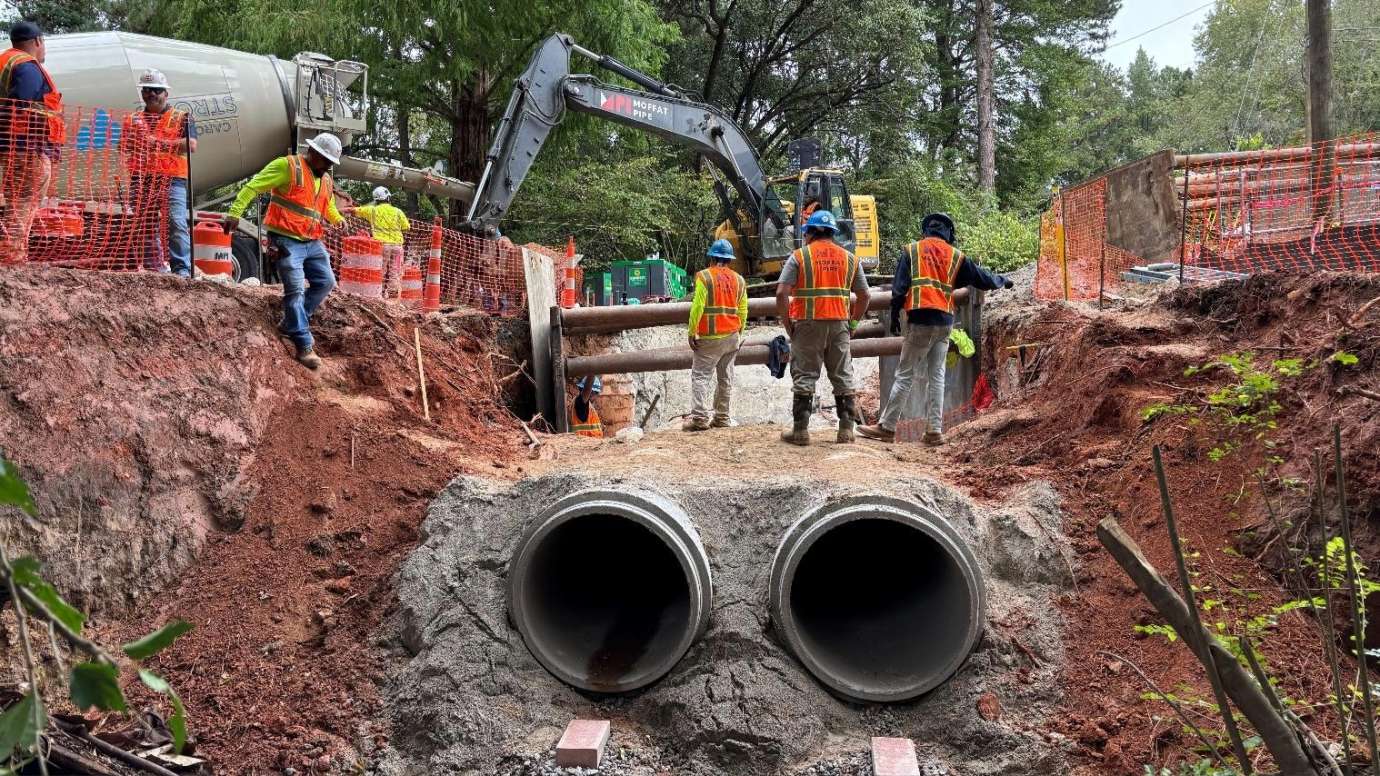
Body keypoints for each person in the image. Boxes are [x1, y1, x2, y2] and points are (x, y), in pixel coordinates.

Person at [859, 213, 1013, 446]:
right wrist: (1002, 280)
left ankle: (887, 427)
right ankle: (934, 431)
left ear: (925, 231)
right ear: (949, 234)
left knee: (905, 374)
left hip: (920, 319)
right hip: (944, 322)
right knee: (937, 376)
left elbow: (899, 289)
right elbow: (982, 278)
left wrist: (895, 315)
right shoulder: (955, 255)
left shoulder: (912, 251)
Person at [225, 133, 346, 369]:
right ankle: (303, 344)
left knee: (326, 282)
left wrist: (337, 219)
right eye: (326, 161)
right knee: (296, 291)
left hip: (312, 241)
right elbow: (253, 187)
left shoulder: (325, 179)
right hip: (286, 240)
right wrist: (235, 212)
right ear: (313, 153)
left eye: (331, 162)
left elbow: (327, 206)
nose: (328, 166)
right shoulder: (287, 166)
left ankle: (291, 322)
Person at [776, 209, 870, 446]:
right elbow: (865, 295)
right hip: (839, 324)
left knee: (805, 375)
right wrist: (853, 323)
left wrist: (788, 324)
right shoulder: (850, 258)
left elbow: (781, 293)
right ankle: (846, 431)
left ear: (809, 233)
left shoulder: (799, 256)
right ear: (833, 233)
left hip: (807, 324)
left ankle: (800, 432)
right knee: (843, 375)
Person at [122, 69, 197, 276]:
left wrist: (157, 143)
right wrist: (136, 142)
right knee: (145, 224)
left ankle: (181, 270)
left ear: (166, 93)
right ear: (142, 93)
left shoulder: (182, 117)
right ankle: (154, 268)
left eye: (156, 90)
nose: (151, 94)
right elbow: (123, 146)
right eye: (147, 90)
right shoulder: (133, 119)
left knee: (176, 222)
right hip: (141, 178)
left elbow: (191, 145)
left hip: (173, 179)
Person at [0, 21, 63, 265]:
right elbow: (20, 105)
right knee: (24, 202)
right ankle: (12, 259)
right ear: (37, 41)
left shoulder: (7, 62)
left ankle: (12, 256)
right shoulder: (27, 67)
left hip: (14, 147)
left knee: (18, 201)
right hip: (28, 148)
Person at [684, 239, 748, 431]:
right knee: (725, 378)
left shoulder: (704, 277)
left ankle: (700, 419)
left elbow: (697, 306)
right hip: (732, 336)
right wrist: (739, 332)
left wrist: (692, 331)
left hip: (709, 338)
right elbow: (743, 310)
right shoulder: (739, 280)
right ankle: (721, 417)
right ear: (729, 260)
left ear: (712, 257)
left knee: (701, 376)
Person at [347, 186, 410, 296]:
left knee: (380, 270)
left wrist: (338, 209)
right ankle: (392, 295)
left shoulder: (372, 210)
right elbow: (406, 227)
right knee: (395, 272)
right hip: (397, 247)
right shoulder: (398, 211)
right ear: (388, 198)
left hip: (381, 246)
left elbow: (352, 211)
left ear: (376, 200)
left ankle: (378, 294)